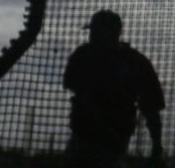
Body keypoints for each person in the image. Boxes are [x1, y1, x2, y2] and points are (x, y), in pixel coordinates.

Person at [63, 10, 166, 167]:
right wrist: (156, 147)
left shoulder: (132, 61)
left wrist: (157, 147)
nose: (93, 36)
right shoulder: (84, 55)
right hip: (87, 135)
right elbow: (152, 107)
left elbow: (151, 108)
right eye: (93, 31)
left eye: (97, 31)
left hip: (110, 139)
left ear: (112, 33)